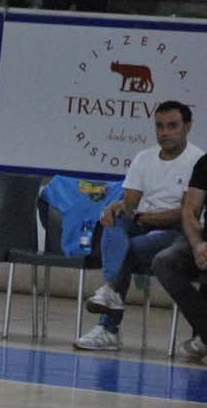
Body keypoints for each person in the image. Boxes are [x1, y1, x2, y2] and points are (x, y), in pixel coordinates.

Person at [75, 101, 202, 352]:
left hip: (177, 233)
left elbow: (185, 214)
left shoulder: (198, 160)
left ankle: (108, 327)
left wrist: (141, 217)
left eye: (172, 126)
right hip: (141, 223)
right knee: (113, 220)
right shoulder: (144, 158)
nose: (164, 132)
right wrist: (117, 207)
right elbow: (130, 205)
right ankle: (110, 292)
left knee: (124, 248)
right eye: (159, 126)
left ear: (187, 127)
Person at [152, 149, 207, 362]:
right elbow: (190, 210)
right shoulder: (205, 163)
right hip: (203, 240)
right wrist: (197, 245)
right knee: (164, 261)